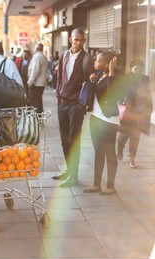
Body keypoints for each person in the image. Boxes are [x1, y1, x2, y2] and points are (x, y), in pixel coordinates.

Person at [54, 28, 95, 188]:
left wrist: (82, 104)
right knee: (64, 140)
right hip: (62, 104)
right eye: (76, 39)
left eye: (82, 40)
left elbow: (92, 82)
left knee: (73, 140)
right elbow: (59, 78)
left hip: (76, 106)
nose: (79, 43)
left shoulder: (87, 59)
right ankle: (69, 170)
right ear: (70, 39)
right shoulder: (63, 55)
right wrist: (58, 96)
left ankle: (74, 176)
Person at [83, 52, 120, 195]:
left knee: (109, 152)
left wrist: (111, 70)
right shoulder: (98, 75)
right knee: (98, 151)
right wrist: (92, 80)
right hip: (96, 118)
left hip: (109, 120)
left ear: (106, 64)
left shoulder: (116, 77)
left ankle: (110, 186)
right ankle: (96, 184)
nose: (94, 63)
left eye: (97, 61)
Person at [117, 59, 153, 168]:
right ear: (131, 68)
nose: (138, 70)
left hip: (140, 112)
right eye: (136, 68)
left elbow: (149, 93)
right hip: (129, 111)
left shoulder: (146, 79)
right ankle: (120, 148)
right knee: (123, 135)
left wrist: (150, 108)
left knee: (135, 136)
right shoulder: (125, 79)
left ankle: (132, 158)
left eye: (140, 68)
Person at [27, 43, 48, 113]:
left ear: (36, 48)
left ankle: (36, 118)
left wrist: (30, 82)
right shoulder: (43, 57)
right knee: (38, 102)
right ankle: (40, 117)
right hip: (41, 83)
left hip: (36, 84)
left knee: (34, 103)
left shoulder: (37, 57)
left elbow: (35, 70)